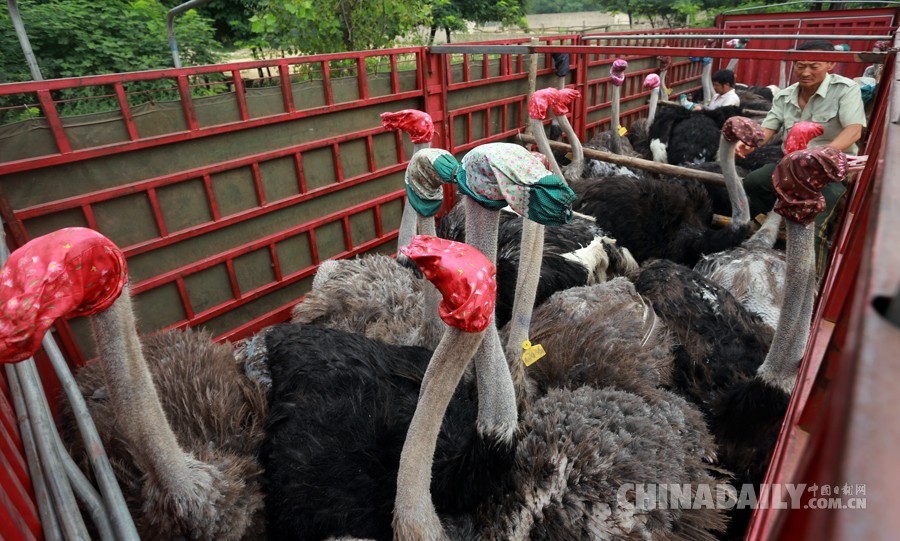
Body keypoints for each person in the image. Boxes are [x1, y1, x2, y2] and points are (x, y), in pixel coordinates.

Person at [736, 40, 867, 276]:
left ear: (830, 64)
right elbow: (767, 128)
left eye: (813, 66)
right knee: (753, 183)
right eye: (800, 65)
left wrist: (822, 154)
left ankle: (814, 282)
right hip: (791, 166)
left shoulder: (845, 89)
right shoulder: (785, 95)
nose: (805, 72)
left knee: (813, 227)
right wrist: (748, 143)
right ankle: (779, 221)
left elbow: (854, 130)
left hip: (829, 170)